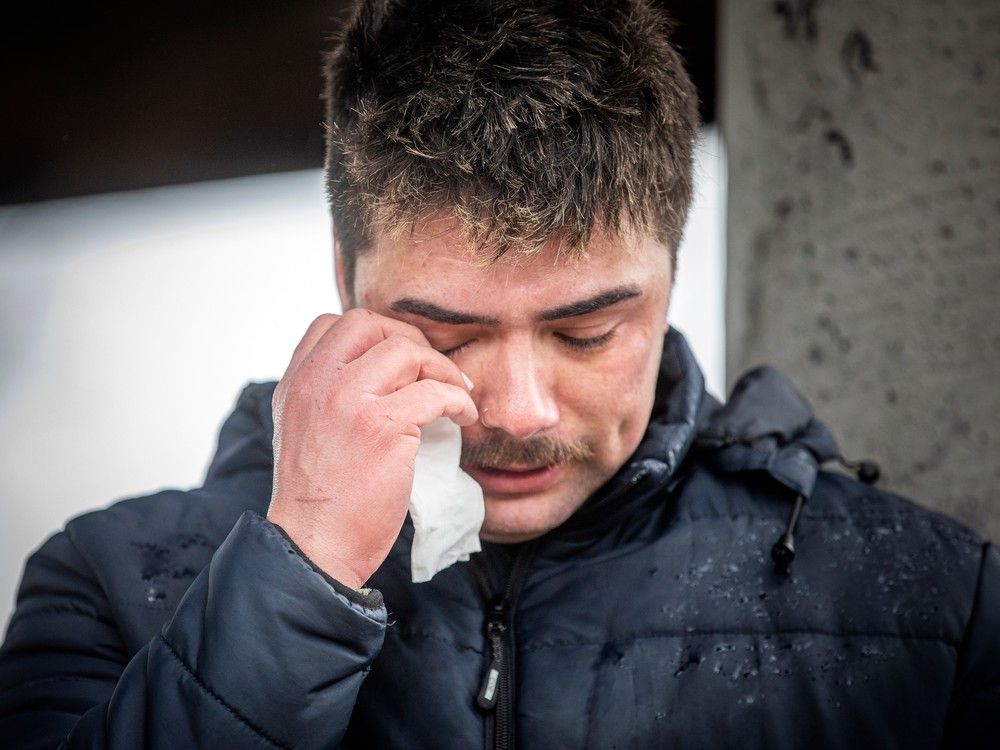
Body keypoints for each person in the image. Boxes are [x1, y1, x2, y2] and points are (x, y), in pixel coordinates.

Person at [1, 0, 998, 747]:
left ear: (669, 276)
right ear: (345, 279)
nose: (517, 411)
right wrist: (298, 575)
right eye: (448, 333)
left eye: (587, 332)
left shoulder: (930, 607)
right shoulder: (108, 583)